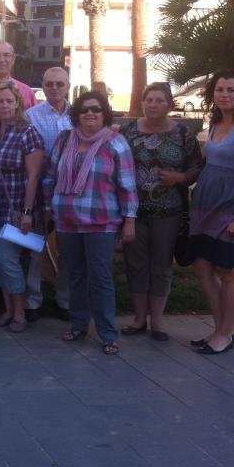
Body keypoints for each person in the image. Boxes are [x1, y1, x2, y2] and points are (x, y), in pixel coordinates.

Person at [43, 91, 137, 355]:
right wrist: (48, 208)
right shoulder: (65, 140)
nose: (90, 114)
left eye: (96, 109)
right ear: (77, 114)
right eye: (84, 110)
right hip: (67, 222)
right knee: (75, 275)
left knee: (100, 278)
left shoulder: (116, 143)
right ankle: (78, 325)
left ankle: (108, 333)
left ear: (104, 112)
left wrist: (130, 220)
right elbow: (50, 177)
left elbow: (128, 186)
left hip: (102, 223)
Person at [183, 70, 234, 355]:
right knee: (203, 267)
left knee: (229, 272)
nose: (225, 94)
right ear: (212, 93)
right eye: (220, 89)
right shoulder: (216, 122)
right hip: (207, 207)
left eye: (231, 90)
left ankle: (225, 334)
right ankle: (220, 329)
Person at [119, 83, 203, 341]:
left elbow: (197, 168)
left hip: (169, 212)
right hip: (133, 212)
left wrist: (180, 177)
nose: (153, 104)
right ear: (142, 103)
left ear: (169, 104)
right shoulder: (127, 131)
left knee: (161, 265)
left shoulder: (183, 134)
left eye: (159, 100)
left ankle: (157, 321)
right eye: (149, 100)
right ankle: (138, 319)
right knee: (136, 265)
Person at [0, 81, 45, 332]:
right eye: (0, 101)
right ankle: (7, 310)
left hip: (15, 209)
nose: (5, 105)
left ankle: (20, 314)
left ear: (18, 103)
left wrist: (28, 212)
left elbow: (33, 177)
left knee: (9, 260)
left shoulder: (28, 132)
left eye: (9, 101)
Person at [25, 67, 74, 321]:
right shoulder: (30, 116)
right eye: (49, 84)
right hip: (39, 190)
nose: (54, 88)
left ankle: (64, 299)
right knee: (35, 247)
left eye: (59, 84)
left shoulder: (79, 115)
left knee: (68, 247)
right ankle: (32, 301)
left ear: (68, 86)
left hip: (71, 194)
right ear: (42, 86)